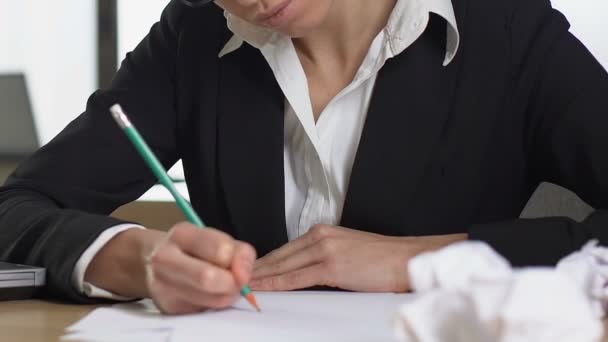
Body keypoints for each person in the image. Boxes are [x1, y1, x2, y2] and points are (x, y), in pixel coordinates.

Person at [1, 0, 607, 314]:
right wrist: (140, 258)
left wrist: (422, 262)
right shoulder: (195, 35)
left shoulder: (506, 31)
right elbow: (17, 208)